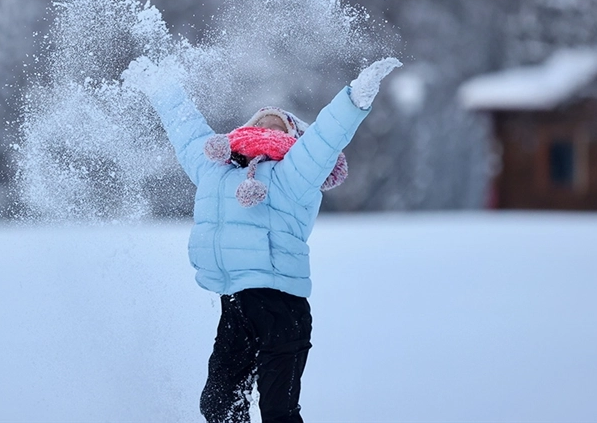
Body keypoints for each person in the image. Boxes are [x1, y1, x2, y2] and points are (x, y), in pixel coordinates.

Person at [125, 56, 402, 423]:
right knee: (218, 405)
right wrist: (161, 88)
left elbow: (325, 137)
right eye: (260, 120)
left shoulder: (296, 172)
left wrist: (354, 99)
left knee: (278, 413)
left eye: (280, 123)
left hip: (282, 309)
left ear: (293, 138)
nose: (268, 121)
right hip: (236, 305)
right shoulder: (215, 168)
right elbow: (187, 130)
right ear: (243, 129)